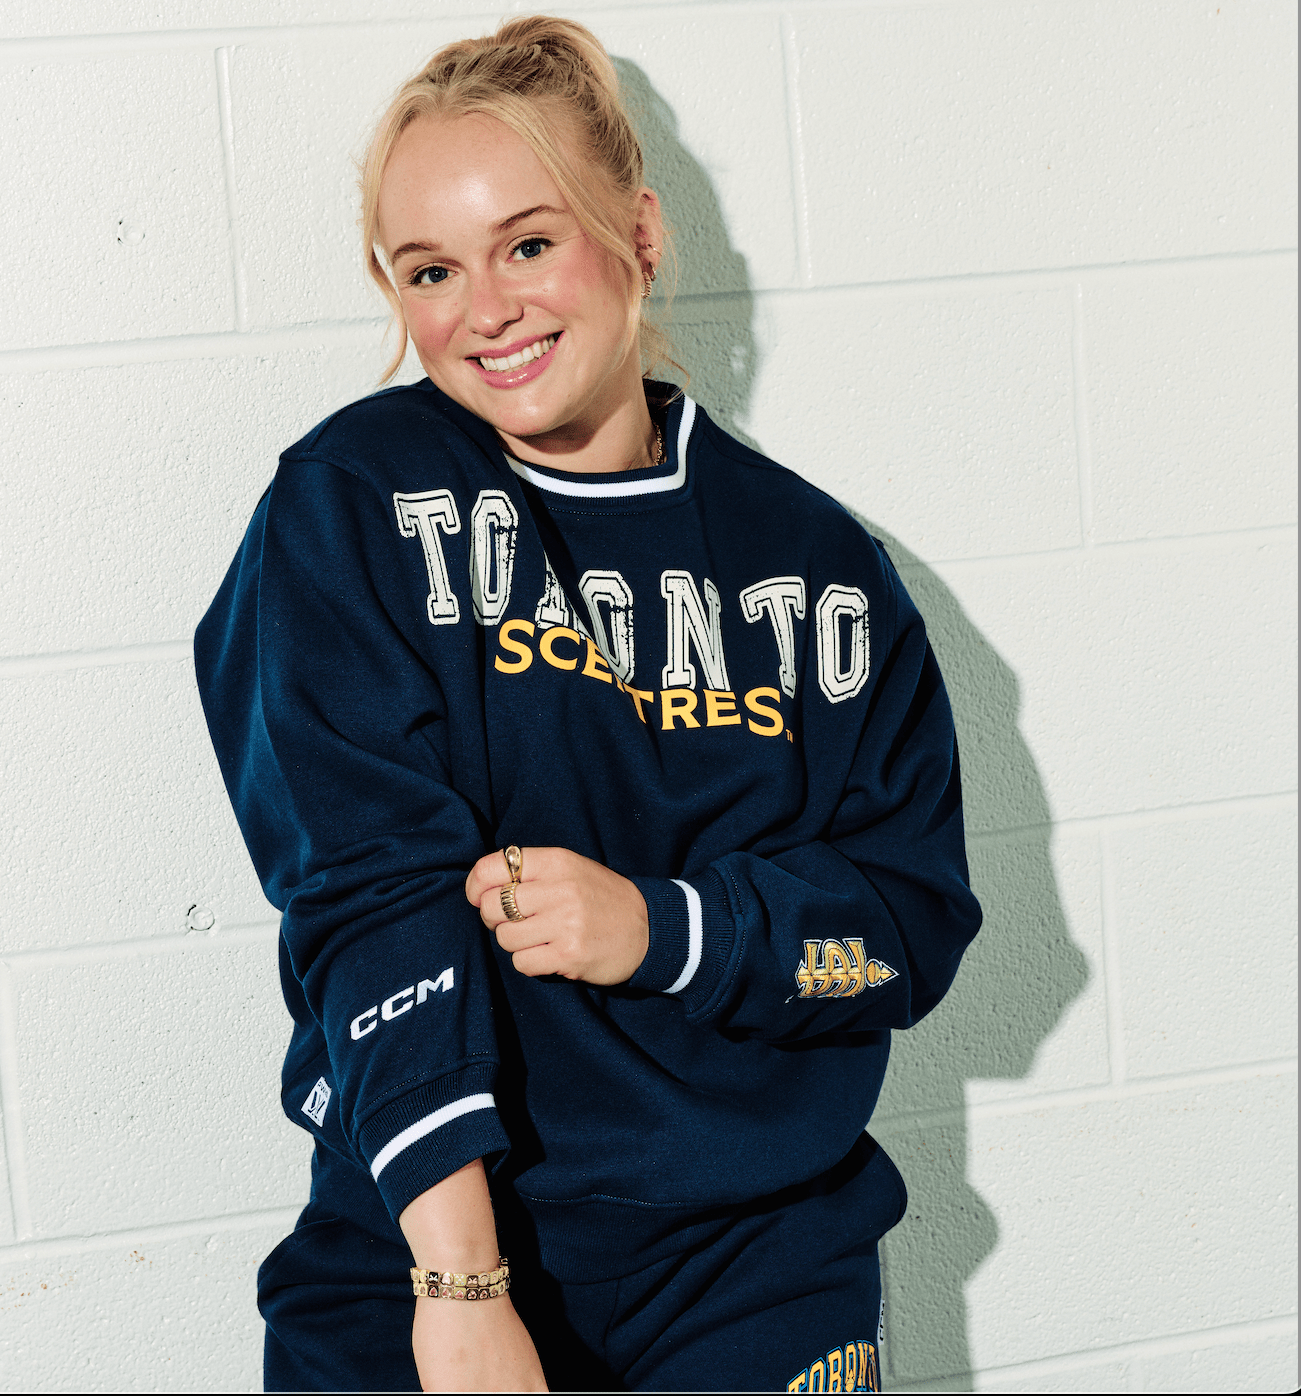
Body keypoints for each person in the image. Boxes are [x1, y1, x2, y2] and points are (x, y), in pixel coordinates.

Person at [195, 14, 981, 1393]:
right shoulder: (354, 505)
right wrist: (461, 1287)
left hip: (755, 1266)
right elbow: (366, 894)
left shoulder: (820, 571)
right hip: (424, 1245)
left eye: (531, 242)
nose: (484, 308)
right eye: (430, 269)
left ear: (641, 230)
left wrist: (664, 929)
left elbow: (905, 924)